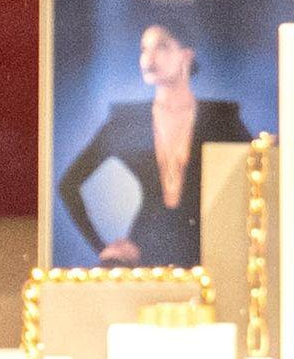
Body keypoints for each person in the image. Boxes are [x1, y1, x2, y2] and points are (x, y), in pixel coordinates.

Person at [49, 15, 248, 268]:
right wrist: (102, 247)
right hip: (143, 253)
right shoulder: (126, 120)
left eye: (162, 46)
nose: (149, 59)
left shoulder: (221, 117)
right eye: (144, 49)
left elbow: (259, 172)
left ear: (186, 54)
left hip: (208, 253)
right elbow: (68, 184)